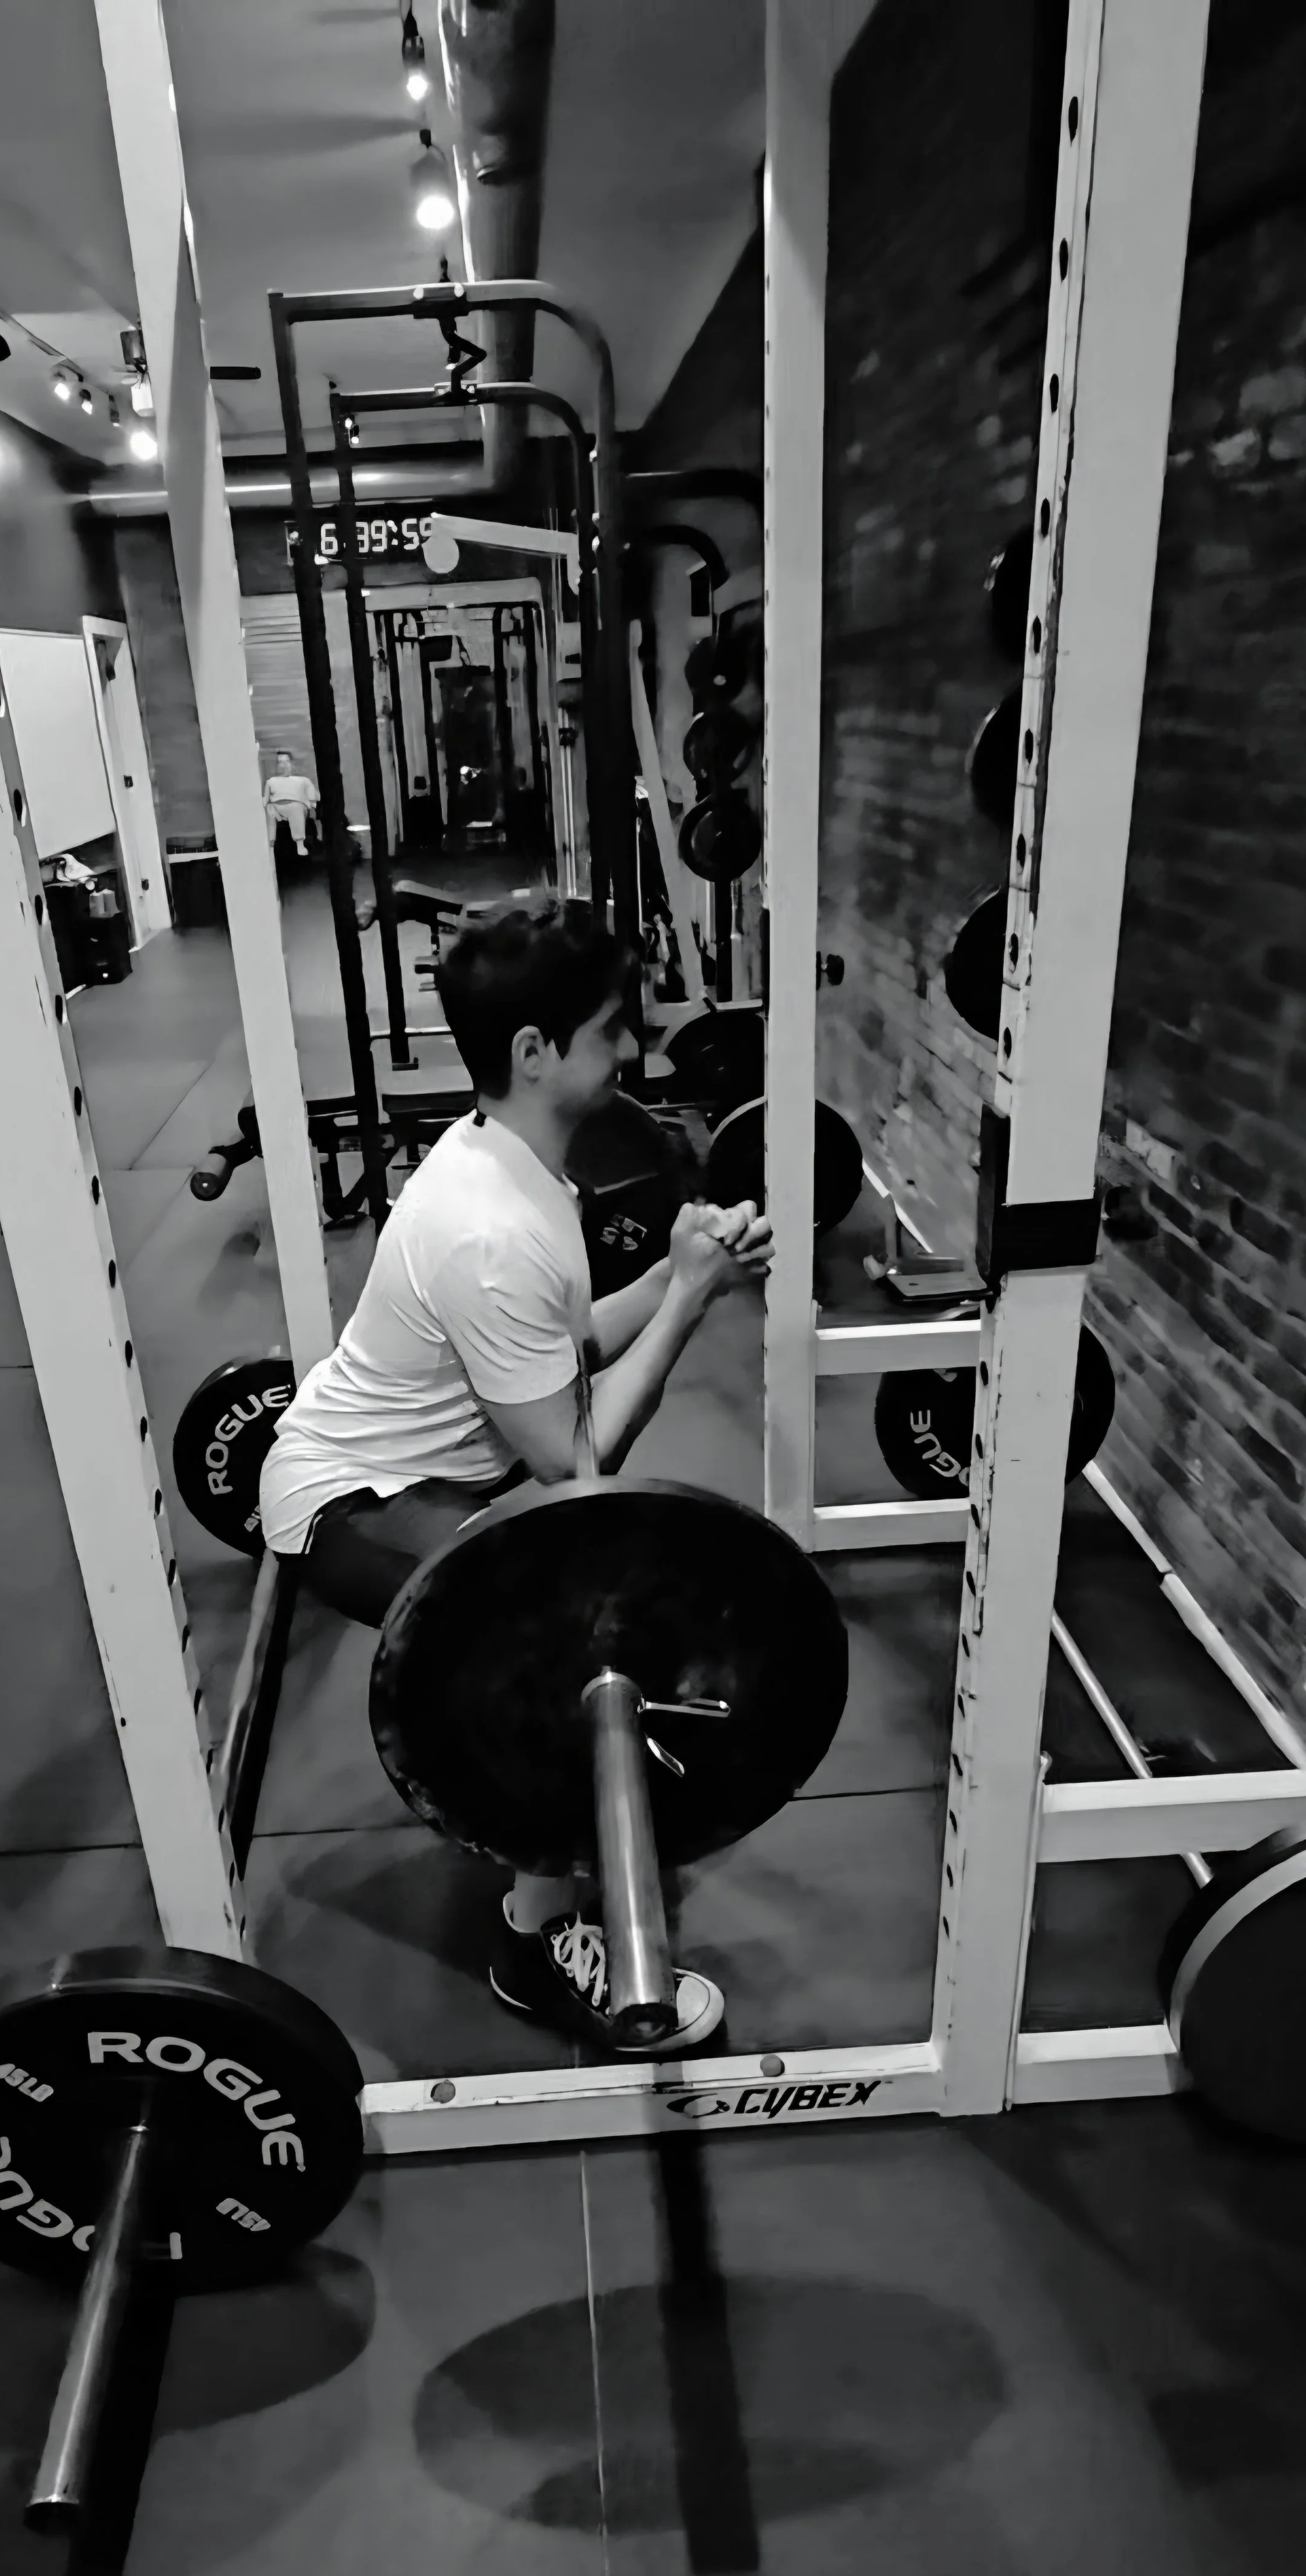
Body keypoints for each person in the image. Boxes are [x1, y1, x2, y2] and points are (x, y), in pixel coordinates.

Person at [259, 904, 770, 2054]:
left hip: (426, 1466)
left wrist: (692, 1270)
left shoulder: (515, 1162)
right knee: (558, 1644)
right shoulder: (490, 1226)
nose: (634, 1050)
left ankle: (556, 1881)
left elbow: (566, 1340)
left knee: (581, 1602)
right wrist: (685, 1299)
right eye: (610, 1030)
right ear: (536, 1050)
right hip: (352, 1502)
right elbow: (579, 1465)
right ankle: (534, 1942)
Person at [262, 750, 318, 856]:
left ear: (291, 764)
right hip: (277, 806)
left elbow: (312, 796)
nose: (283, 765)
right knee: (269, 809)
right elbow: (266, 799)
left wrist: (312, 804)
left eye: (286, 761)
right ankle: (270, 842)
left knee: (296, 809)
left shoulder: (302, 781)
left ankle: (300, 844)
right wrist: (266, 804)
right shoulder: (271, 781)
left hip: (296, 806)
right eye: (280, 762)